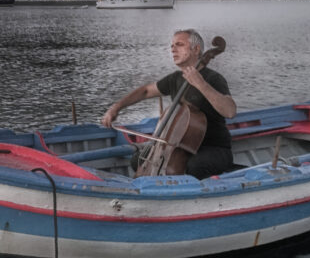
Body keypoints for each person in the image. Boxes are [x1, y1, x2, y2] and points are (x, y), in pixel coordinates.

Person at [101, 29, 237, 179]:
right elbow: (145, 91)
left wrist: (201, 84)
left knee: (194, 166)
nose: (173, 49)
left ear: (196, 49)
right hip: (181, 146)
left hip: (214, 148)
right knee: (138, 160)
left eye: (179, 44)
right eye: (172, 45)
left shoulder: (213, 79)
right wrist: (116, 107)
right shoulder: (175, 78)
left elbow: (230, 111)